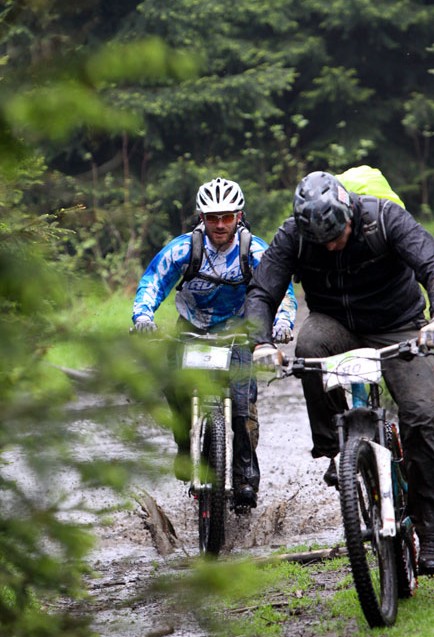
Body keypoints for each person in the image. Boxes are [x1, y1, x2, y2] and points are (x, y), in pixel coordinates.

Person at [245, 170, 434, 574]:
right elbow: (263, 291)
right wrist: (261, 342)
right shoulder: (293, 235)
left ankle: (430, 529)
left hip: (396, 324)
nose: (331, 245)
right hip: (334, 324)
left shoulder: (384, 219)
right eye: (321, 241)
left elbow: (430, 263)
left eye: (337, 236)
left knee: (422, 415)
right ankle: (335, 449)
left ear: (349, 213)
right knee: (308, 348)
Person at [132, 177, 297, 508]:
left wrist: (282, 323)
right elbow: (153, 281)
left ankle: (246, 479)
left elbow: (280, 290)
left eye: (227, 217)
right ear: (200, 217)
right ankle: (184, 446)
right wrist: (143, 317)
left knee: (242, 406)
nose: (220, 225)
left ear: (239, 216)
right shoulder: (183, 249)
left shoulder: (255, 251)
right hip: (191, 329)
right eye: (212, 217)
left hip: (237, 332)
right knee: (174, 387)